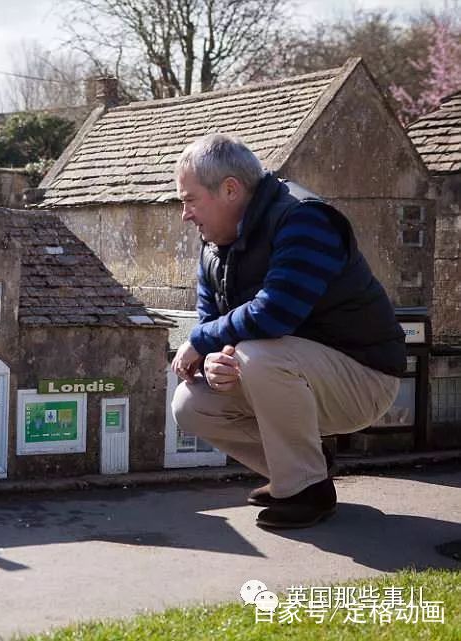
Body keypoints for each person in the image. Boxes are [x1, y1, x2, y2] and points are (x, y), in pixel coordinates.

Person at [170, 133, 405, 529]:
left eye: (190, 200)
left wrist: (201, 342)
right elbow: (212, 327)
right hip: (291, 375)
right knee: (190, 403)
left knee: (260, 355)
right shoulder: (212, 249)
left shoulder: (304, 219)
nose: (185, 214)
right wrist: (214, 363)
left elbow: (275, 313)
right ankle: (302, 470)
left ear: (230, 190)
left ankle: (306, 490)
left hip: (365, 377)